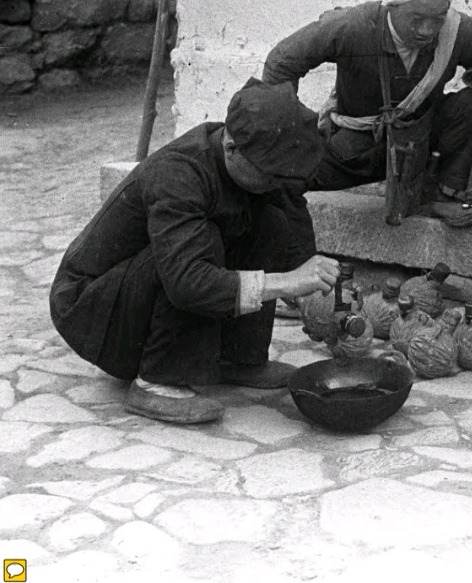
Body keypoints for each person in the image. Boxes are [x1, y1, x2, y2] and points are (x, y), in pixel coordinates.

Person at [50, 78, 341, 424]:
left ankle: (236, 359)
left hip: (144, 288)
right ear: (231, 147)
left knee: (271, 220)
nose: (277, 182)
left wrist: (311, 286)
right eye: (270, 174)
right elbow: (186, 281)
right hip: (93, 311)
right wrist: (286, 283)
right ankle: (156, 382)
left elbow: (289, 214)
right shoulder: (178, 174)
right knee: (201, 243)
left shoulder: (254, 161)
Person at [261, 0, 472, 227]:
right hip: (353, 151)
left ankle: (445, 193)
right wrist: (290, 129)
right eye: (416, 19)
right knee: (275, 178)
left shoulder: (457, 30)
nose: (426, 30)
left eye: (436, 20)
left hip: (416, 148)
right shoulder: (353, 26)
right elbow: (282, 62)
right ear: (393, 6)